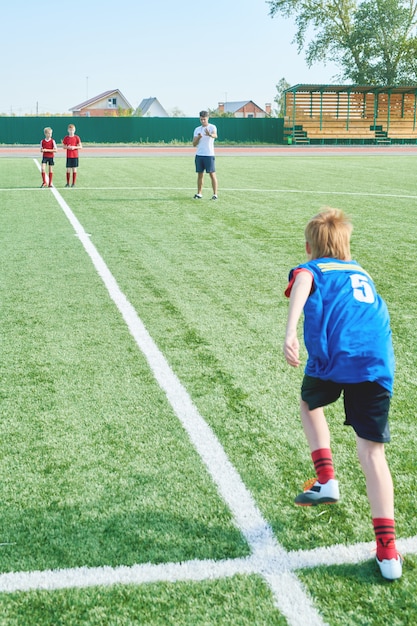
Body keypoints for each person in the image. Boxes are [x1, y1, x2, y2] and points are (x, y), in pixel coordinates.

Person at [283, 207, 402, 581]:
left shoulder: (312, 269)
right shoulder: (361, 271)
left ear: (308, 248)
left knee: (308, 402)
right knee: (372, 452)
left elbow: (302, 284)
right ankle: (388, 552)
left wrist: (289, 331)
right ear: (346, 246)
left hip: (337, 355)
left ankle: (326, 477)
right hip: (376, 359)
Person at [192, 110, 218, 200]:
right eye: (201, 119)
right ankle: (199, 193)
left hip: (209, 154)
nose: (203, 121)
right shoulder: (197, 129)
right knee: (200, 175)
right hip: (199, 155)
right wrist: (198, 137)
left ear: (208, 118)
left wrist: (209, 134)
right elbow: (194, 144)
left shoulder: (212, 127)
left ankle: (215, 194)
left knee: (212, 174)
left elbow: (215, 135)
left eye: (204, 119)